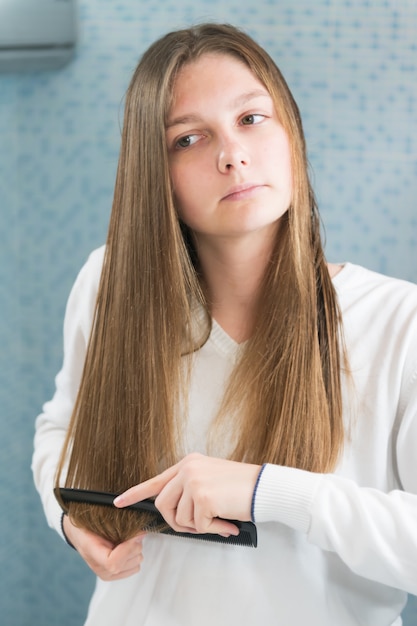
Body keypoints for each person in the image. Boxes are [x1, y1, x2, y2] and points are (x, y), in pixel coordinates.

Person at [32, 23, 417, 626]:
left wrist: (269, 492)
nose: (231, 154)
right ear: (153, 173)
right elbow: (62, 428)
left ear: (290, 130)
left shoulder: (399, 322)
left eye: (251, 119)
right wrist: (71, 519)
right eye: (189, 138)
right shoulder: (109, 283)